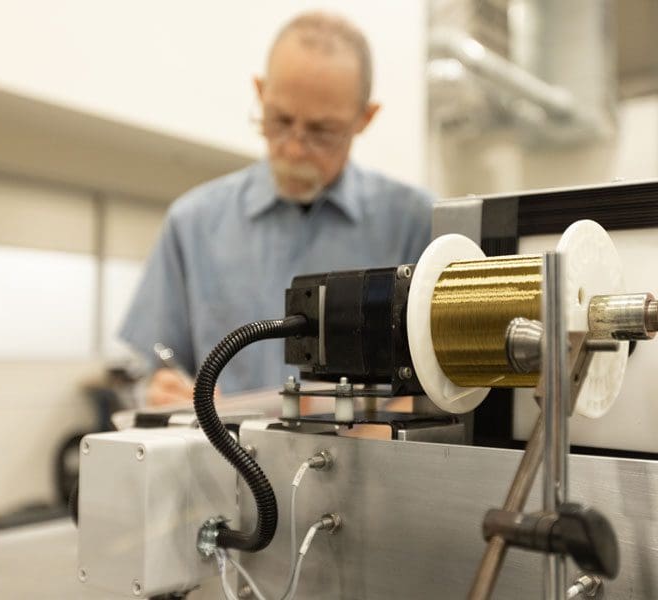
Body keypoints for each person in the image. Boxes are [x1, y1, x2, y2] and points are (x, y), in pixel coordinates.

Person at [119, 11, 433, 406]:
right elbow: (150, 370)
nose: (295, 149)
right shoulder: (193, 223)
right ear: (260, 92)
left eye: (322, 132)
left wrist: (397, 421)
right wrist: (157, 391)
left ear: (364, 118)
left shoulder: (416, 223)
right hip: (226, 460)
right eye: (280, 120)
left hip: (371, 464)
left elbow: (449, 385)